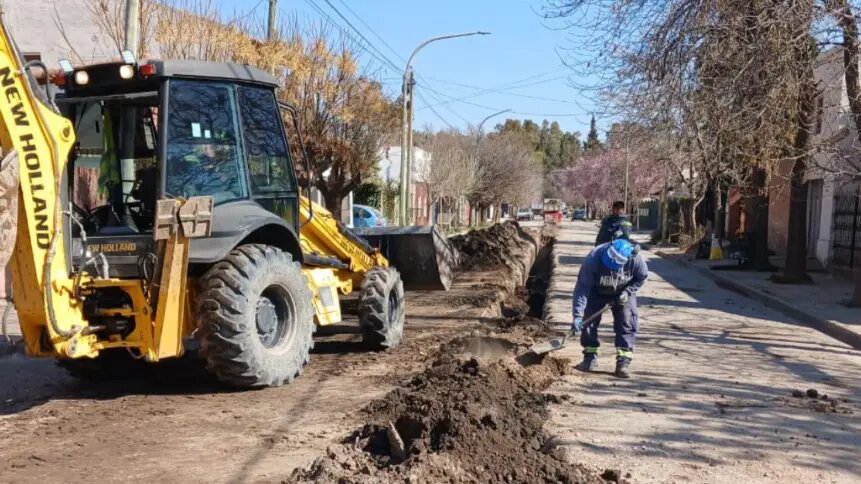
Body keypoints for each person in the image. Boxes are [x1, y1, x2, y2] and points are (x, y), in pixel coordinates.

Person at [571, 238, 648, 378]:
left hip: (623, 292)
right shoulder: (594, 258)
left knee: (627, 322)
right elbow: (582, 288)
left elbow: (642, 277)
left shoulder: (635, 259)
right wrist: (577, 315)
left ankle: (623, 363)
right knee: (588, 322)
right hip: (597, 291)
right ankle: (589, 358)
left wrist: (628, 291)